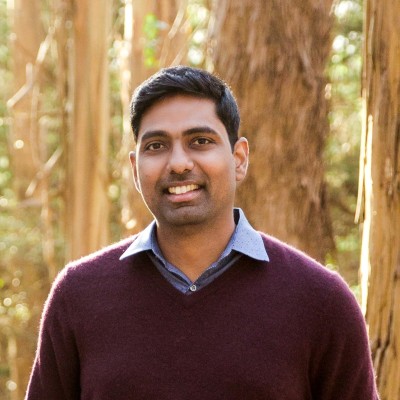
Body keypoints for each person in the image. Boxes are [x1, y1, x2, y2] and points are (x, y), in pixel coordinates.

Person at [25, 66, 379, 399]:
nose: (179, 163)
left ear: (239, 159)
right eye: (156, 146)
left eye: (200, 141)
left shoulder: (320, 301)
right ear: (135, 169)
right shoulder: (79, 295)